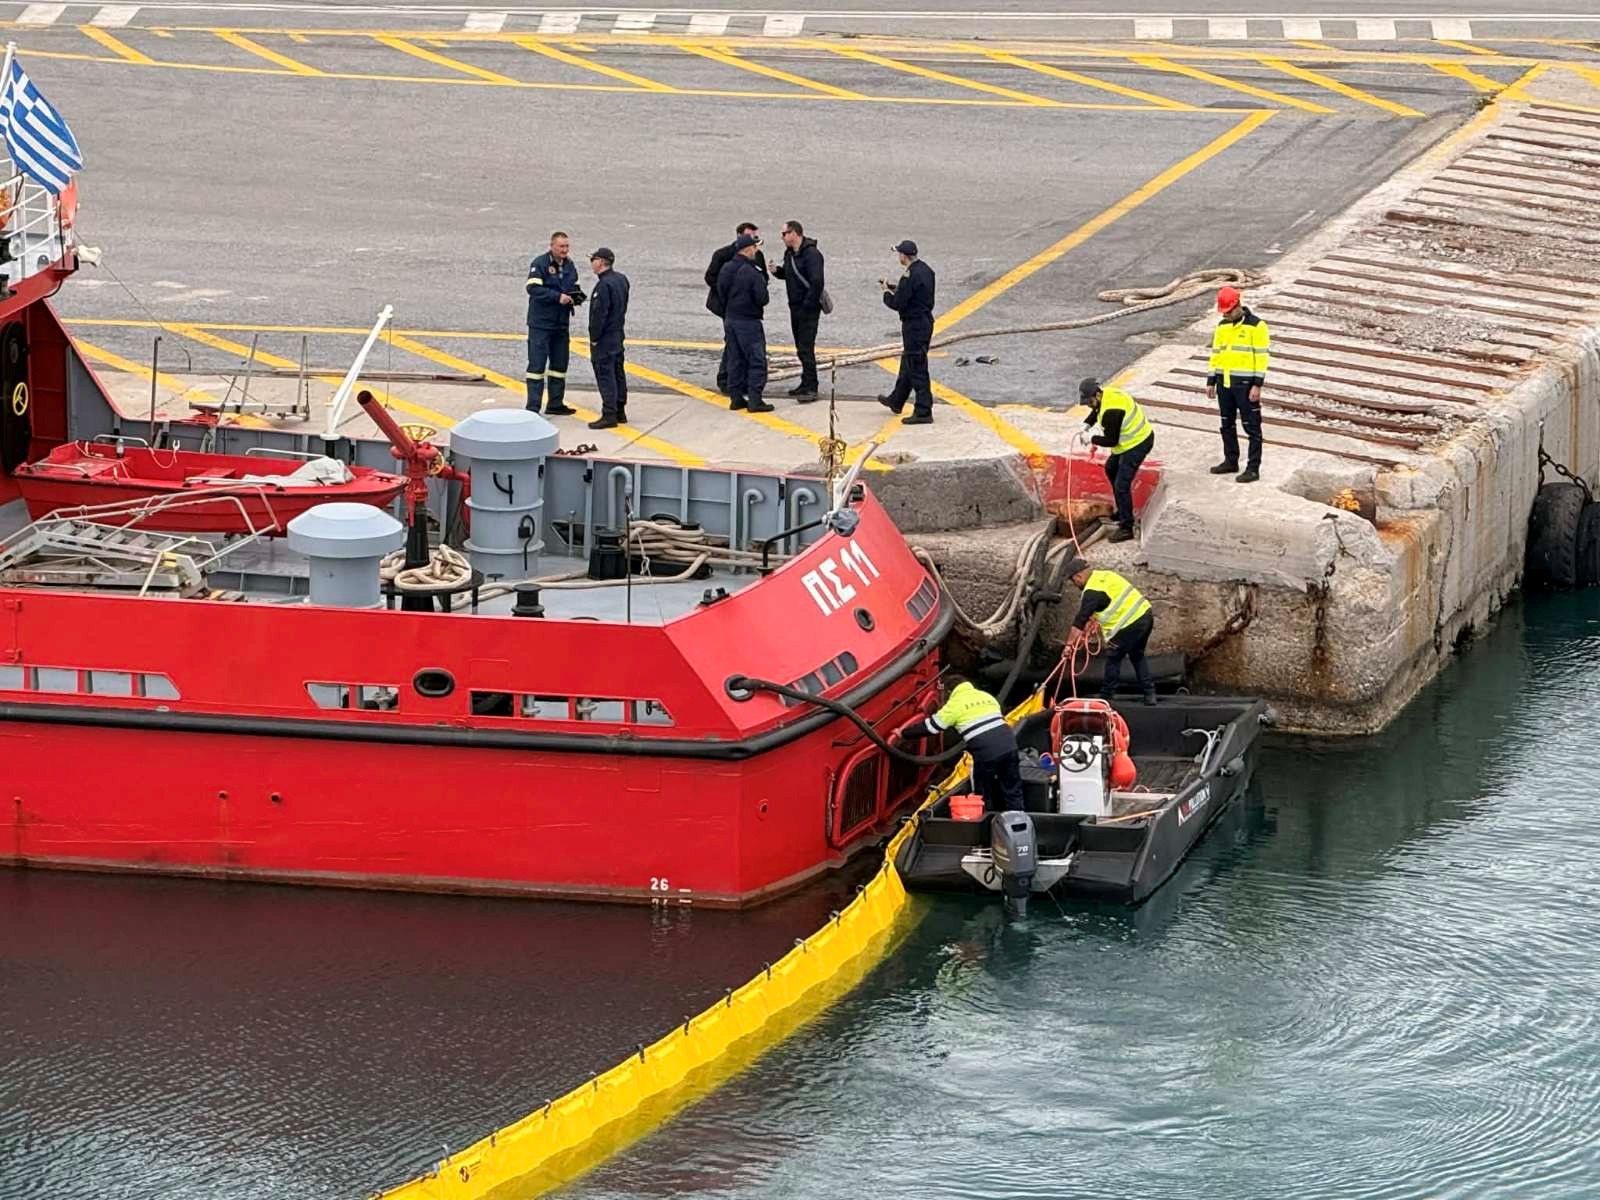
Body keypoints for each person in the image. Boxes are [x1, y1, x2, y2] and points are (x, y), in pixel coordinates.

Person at [895, 677, 1024, 813]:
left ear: (950, 691)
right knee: (1012, 789)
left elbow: (932, 727)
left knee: (982, 794)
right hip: (1010, 745)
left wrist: (903, 733)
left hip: (986, 753)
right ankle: (1018, 821)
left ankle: (985, 822)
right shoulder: (986, 696)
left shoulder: (955, 704)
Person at [1065, 558, 1156, 706]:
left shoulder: (1091, 591)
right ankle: (1149, 694)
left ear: (1078, 576)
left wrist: (1069, 645)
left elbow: (1079, 621)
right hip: (1146, 615)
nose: (1075, 585)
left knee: (1113, 658)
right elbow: (1103, 604)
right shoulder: (1106, 575)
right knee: (1137, 655)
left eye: (1073, 581)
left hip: (1128, 626)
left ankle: (1106, 696)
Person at [1078, 377, 1155, 544]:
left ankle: (1126, 526)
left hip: (1138, 444)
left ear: (1097, 395)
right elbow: (1096, 411)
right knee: (1111, 468)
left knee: (1122, 484)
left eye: (1089, 401)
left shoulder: (1112, 412)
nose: (1088, 405)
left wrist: (1091, 438)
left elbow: (1111, 441)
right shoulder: (1107, 396)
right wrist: (1086, 425)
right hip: (1127, 444)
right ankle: (1122, 510)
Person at [1207, 285, 1271, 484]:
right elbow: (1216, 354)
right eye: (1223, 313)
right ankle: (1231, 460)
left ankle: (1253, 468)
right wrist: (1211, 380)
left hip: (1245, 385)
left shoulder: (1257, 326)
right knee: (1226, 423)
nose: (1225, 316)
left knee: (1252, 427)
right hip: (1224, 383)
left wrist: (1257, 385)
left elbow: (1261, 358)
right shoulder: (1222, 326)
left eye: (1228, 312)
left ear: (1237, 306)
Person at [704, 222, 767, 396]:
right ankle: (732, 383)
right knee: (745, 351)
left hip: (738, 311)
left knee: (735, 349)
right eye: (752, 239)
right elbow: (712, 278)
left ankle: (735, 386)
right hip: (734, 311)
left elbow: (764, 279)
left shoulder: (757, 257)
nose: (755, 244)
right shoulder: (723, 256)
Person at [525, 231, 583, 417]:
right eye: (561, 246)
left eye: (567, 246)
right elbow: (533, 288)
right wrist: (557, 297)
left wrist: (576, 297)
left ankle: (555, 403)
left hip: (560, 324)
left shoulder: (569, 265)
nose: (565, 250)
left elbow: (574, 285)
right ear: (552, 246)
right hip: (541, 324)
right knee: (537, 366)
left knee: (559, 365)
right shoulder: (540, 263)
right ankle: (533, 407)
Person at [877, 239, 936, 425]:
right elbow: (914, 292)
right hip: (925, 321)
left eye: (899, 254)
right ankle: (897, 399)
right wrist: (895, 287)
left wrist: (886, 292)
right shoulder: (926, 270)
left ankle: (923, 410)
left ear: (904, 255)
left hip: (914, 325)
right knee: (908, 363)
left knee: (917, 367)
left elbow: (898, 303)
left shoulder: (909, 276)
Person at [716, 234, 774, 414]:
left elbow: (721, 292)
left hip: (730, 319)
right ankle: (755, 400)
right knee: (756, 360)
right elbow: (762, 298)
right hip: (749, 321)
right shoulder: (752, 272)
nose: (756, 251)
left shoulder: (726, 268)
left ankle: (736, 398)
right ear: (748, 249)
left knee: (735, 359)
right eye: (755, 248)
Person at [771, 220, 825, 401]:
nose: (782, 237)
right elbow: (790, 274)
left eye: (785, 234)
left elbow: (817, 282)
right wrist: (777, 271)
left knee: (806, 347)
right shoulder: (790, 254)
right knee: (801, 348)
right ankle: (805, 382)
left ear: (794, 233)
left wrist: (807, 306)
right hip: (795, 307)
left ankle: (811, 387)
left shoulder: (812, 254)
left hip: (807, 309)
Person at [586, 247, 629, 430]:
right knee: (618, 372)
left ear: (601, 261)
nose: (592, 263)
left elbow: (599, 315)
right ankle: (620, 410)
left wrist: (594, 337)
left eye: (593, 259)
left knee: (605, 374)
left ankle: (609, 413)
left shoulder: (603, 285)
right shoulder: (621, 279)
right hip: (618, 333)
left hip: (605, 337)